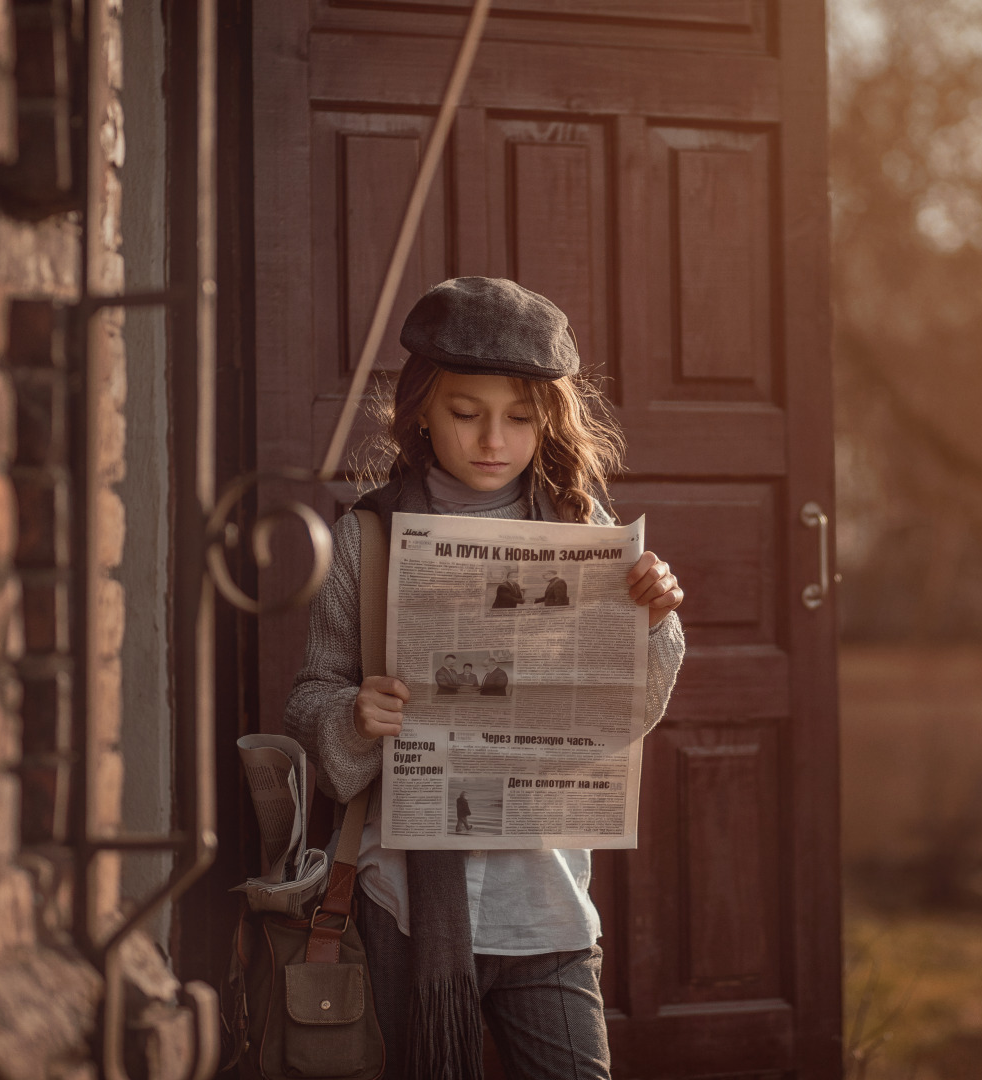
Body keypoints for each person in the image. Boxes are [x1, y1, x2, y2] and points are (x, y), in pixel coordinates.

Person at [285, 277, 685, 1080]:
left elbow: (626, 714)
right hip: (401, 905)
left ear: (548, 419)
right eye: (466, 413)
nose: (491, 439)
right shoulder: (365, 540)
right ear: (423, 410)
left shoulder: (586, 533)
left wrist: (655, 622)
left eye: (518, 416)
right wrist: (353, 714)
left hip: (546, 905)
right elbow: (309, 696)